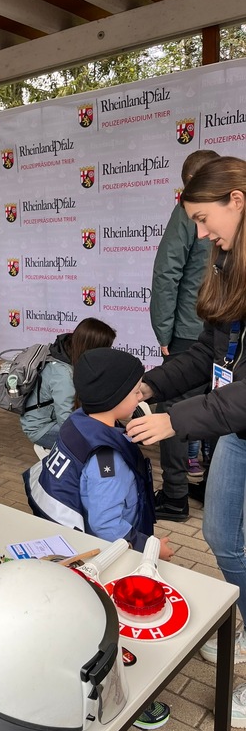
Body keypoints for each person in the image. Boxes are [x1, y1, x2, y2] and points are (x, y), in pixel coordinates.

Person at [126, 155, 246, 728]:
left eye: (203, 219)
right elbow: (206, 355)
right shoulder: (228, 261)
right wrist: (149, 384)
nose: (200, 234)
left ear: (237, 200)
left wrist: (175, 422)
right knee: (223, 537)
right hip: (240, 433)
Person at [24, 347, 173, 731]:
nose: (142, 394)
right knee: (114, 629)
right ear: (115, 399)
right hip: (102, 561)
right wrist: (150, 546)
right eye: (136, 391)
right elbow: (108, 527)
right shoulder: (106, 459)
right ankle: (125, 695)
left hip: (62, 545)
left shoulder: (78, 423)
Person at [149, 150, 219, 522]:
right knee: (212, 408)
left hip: (193, 334)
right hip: (208, 335)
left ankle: (176, 495)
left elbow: (166, 273)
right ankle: (206, 487)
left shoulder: (187, 213)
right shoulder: (201, 215)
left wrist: (164, 329)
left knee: (175, 412)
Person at [19, 317, 116, 451]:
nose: (107, 352)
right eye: (106, 348)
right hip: (43, 428)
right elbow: (66, 420)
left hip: (53, 420)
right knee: (103, 442)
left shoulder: (69, 353)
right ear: (93, 347)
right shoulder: (63, 374)